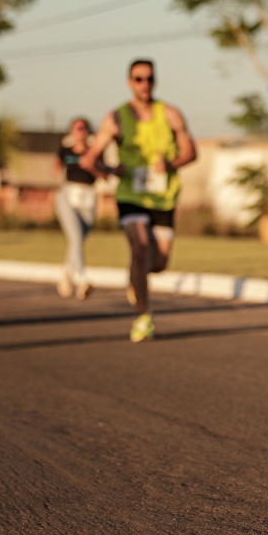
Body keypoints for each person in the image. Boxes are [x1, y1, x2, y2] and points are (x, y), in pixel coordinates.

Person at [82, 60, 196, 342]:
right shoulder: (117, 118)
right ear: (129, 82)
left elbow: (191, 152)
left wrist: (171, 164)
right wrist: (111, 170)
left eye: (149, 79)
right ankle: (144, 317)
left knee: (159, 263)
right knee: (141, 247)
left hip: (163, 198)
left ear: (154, 81)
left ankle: (136, 278)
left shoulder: (170, 114)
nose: (144, 84)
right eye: (138, 79)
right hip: (130, 196)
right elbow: (90, 159)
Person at [55, 117, 101, 300]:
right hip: (69, 195)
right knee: (75, 237)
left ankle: (67, 270)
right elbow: (55, 168)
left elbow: (104, 175)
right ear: (71, 131)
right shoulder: (65, 150)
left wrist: (92, 166)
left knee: (79, 239)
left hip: (88, 196)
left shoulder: (95, 151)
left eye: (83, 128)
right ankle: (82, 279)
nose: (80, 131)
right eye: (77, 128)